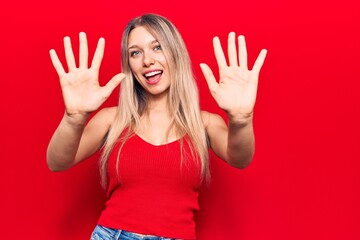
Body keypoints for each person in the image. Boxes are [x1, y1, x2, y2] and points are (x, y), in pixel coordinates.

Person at [47, 13, 267, 240]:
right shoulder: (113, 119)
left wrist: (241, 120)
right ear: (129, 65)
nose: (147, 60)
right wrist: (73, 117)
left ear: (176, 53)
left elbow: (240, 158)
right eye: (135, 53)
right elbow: (57, 162)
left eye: (157, 47)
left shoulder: (205, 124)